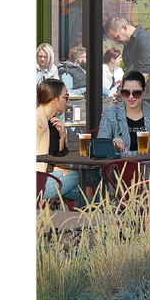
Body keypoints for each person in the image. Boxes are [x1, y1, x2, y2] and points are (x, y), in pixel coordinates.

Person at [94, 68, 150, 175]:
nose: (130, 97)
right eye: (126, 92)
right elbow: (100, 148)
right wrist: (112, 144)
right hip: (118, 174)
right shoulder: (110, 115)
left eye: (136, 93)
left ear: (144, 91)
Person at [36, 78, 87, 206]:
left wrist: (62, 135)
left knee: (88, 191)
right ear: (54, 99)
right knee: (84, 176)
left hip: (48, 177)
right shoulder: (37, 122)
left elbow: (58, 156)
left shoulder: (52, 121)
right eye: (65, 96)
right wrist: (53, 169)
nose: (68, 100)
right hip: (39, 183)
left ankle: (95, 223)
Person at [106, 19, 150, 107]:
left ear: (124, 28)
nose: (116, 42)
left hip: (148, 98)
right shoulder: (127, 46)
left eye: (117, 37)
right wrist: (120, 93)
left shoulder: (145, 39)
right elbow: (128, 74)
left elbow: (144, 74)